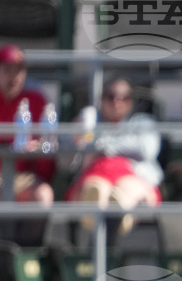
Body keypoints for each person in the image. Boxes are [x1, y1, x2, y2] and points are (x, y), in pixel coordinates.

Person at [64, 78, 162, 209]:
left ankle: (113, 216)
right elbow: (67, 160)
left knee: (125, 192)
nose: (117, 102)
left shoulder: (142, 122)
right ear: (101, 99)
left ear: (131, 101)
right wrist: (80, 129)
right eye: (111, 96)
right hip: (95, 174)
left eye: (124, 97)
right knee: (97, 189)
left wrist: (103, 145)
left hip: (134, 176)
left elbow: (146, 150)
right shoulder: (91, 120)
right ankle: (111, 217)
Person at [0, 44, 54, 206]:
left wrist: (37, 148)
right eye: (7, 70)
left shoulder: (36, 101)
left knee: (43, 195)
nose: (13, 77)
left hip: (23, 176)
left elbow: (47, 151)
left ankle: (28, 234)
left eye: (18, 71)